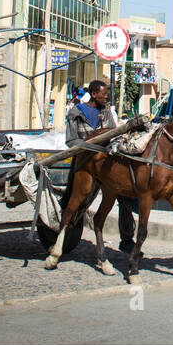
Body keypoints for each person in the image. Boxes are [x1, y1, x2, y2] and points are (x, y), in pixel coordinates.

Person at [70, 80, 136, 255]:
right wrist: (89, 147)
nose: (106, 96)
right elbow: (71, 140)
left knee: (123, 196)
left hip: (105, 162)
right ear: (93, 94)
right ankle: (67, 225)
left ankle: (127, 239)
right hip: (85, 161)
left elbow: (114, 135)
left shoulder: (106, 111)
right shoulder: (76, 112)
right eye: (103, 93)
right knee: (80, 198)